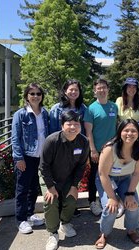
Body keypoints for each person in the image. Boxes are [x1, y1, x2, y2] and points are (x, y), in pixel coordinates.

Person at [94, 119, 139, 249]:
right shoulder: (110, 148)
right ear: (120, 132)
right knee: (110, 208)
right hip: (107, 179)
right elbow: (103, 174)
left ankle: (131, 230)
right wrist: (113, 198)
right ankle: (103, 233)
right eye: (126, 130)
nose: (130, 133)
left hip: (125, 178)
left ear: (138, 133)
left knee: (133, 204)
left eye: (133, 131)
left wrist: (130, 194)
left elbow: (136, 173)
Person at [40, 110, 89, 250]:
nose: (73, 127)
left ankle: (65, 223)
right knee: (51, 200)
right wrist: (50, 187)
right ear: (62, 126)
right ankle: (52, 233)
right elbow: (44, 166)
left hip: (68, 177)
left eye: (76, 123)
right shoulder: (52, 140)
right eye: (69, 124)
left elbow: (81, 166)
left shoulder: (83, 141)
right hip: (49, 176)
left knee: (71, 199)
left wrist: (74, 186)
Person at [11, 83, 48, 234]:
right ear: (26, 96)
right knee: (22, 189)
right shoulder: (20, 114)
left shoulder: (45, 113)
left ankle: (30, 214)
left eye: (38, 93)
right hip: (26, 157)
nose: (35, 96)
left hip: (40, 157)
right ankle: (21, 220)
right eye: (32, 94)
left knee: (34, 188)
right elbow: (15, 138)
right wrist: (19, 158)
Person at [49, 79, 87, 217]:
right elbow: (53, 131)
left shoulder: (83, 108)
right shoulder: (56, 109)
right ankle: (58, 207)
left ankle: (70, 206)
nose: (73, 92)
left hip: (77, 149)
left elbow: (84, 129)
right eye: (70, 89)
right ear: (65, 91)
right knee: (59, 177)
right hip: (60, 149)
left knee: (73, 177)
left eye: (76, 90)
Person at [84, 79, 118, 216]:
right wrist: (92, 149)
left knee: (111, 175)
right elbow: (88, 132)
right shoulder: (91, 109)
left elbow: (116, 127)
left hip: (112, 149)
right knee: (94, 175)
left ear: (108, 89)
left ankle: (111, 200)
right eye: (99, 88)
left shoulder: (114, 107)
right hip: (97, 150)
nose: (102, 90)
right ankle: (93, 201)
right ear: (94, 91)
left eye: (104, 87)